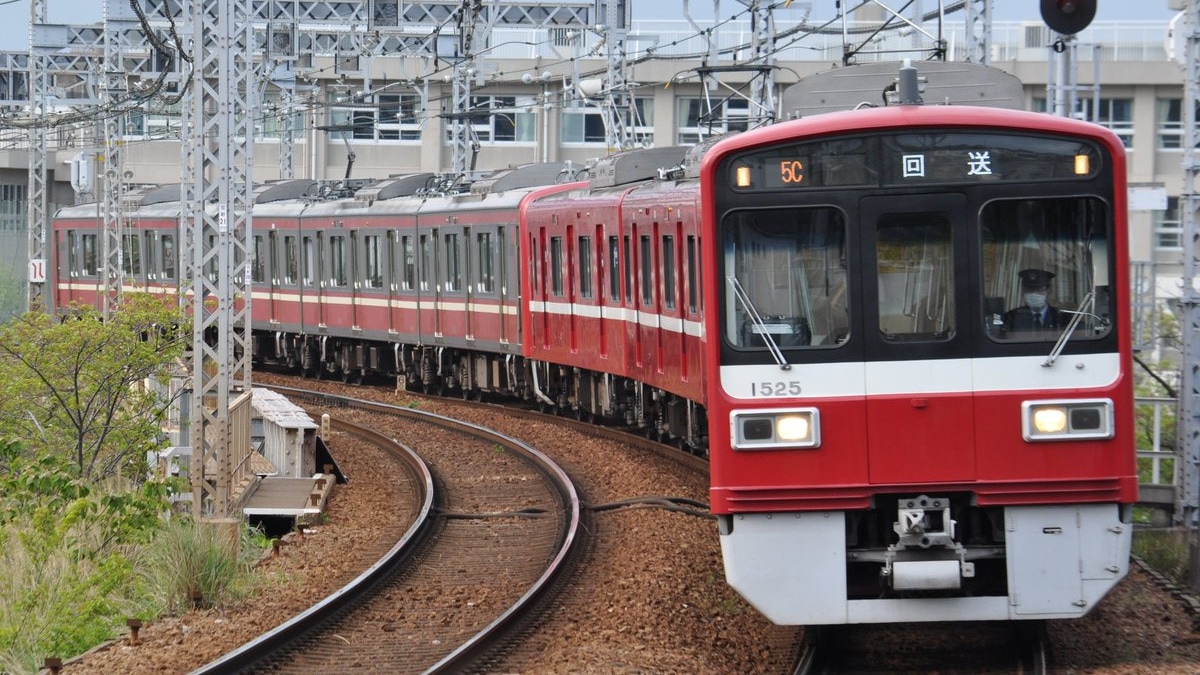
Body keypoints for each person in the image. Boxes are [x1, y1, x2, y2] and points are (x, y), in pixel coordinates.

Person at [1003, 268, 1060, 333]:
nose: (1034, 293)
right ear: (1023, 291)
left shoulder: (1060, 317)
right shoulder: (1012, 317)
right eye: (1030, 290)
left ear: (1048, 291)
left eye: (1038, 290)